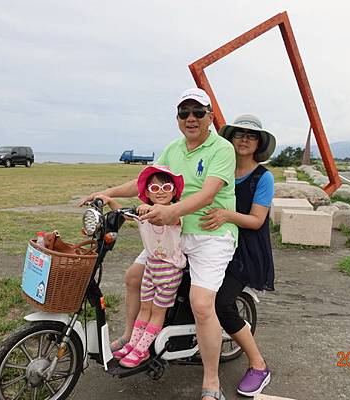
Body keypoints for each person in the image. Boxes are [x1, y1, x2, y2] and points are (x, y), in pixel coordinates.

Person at [80, 87, 237, 400]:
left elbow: (207, 195)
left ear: (210, 116)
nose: (191, 118)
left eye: (198, 112)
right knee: (132, 277)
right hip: (168, 233)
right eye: (184, 113)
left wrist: (169, 211)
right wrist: (107, 192)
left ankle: (210, 382)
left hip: (209, 234)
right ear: (178, 118)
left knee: (202, 304)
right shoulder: (173, 148)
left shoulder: (221, 148)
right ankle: (130, 337)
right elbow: (143, 181)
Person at [200, 114, 276, 397]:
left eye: (251, 136)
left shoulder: (263, 177)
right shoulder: (220, 168)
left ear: (258, 143)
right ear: (230, 138)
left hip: (245, 251)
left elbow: (257, 220)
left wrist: (225, 215)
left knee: (222, 303)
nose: (244, 139)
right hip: (212, 243)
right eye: (239, 134)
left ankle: (258, 365)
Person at [95, 166, 186, 368]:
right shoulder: (143, 214)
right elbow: (124, 214)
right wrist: (110, 201)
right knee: (144, 307)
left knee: (157, 310)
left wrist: (150, 208)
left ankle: (143, 349)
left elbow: (171, 217)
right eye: (154, 188)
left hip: (169, 271)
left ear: (174, 192)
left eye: (166, 187)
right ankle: (134, 343)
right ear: (146, 193)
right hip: (152, 267)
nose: (160, 191)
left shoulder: (176, 214)